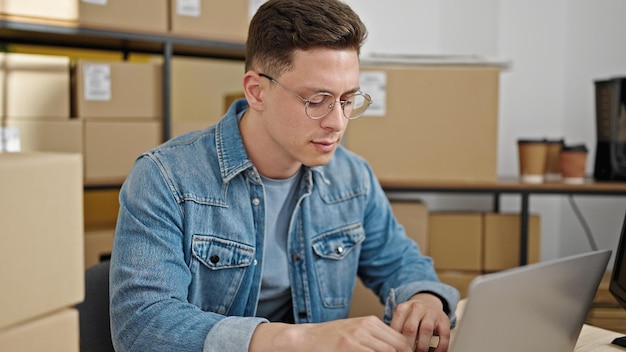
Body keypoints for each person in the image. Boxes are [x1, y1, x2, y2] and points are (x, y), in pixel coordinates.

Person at [109, 0, 459, 351]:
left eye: (348, 99)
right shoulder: (164, 178)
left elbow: (401, 262)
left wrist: (425, 300)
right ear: (256, 91)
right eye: (317, 99)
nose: (337, 122)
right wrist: (295, 339)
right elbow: (141, 325)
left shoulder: (353, 178)